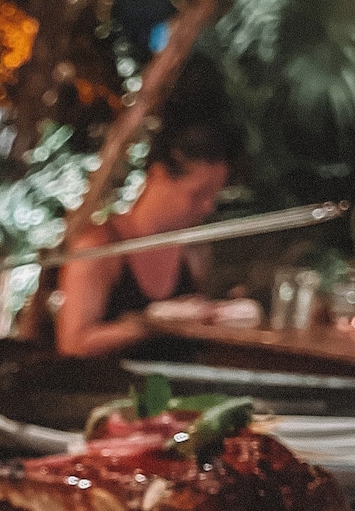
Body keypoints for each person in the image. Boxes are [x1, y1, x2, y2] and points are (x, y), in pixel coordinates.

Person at [55, 121, 234, 359]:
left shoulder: (193, 252)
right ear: (158, 176)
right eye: (198, 194)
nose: (207, 206)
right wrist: (149, 324)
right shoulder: (99, 247)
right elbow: (73, 343)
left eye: (212, 196)